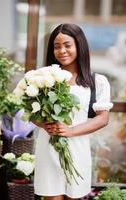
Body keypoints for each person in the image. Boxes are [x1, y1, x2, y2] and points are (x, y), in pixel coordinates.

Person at [33, 23, 113, 200]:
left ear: (79, 46)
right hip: (49, 147)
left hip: (78, 149)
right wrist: (44, 124)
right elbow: (32, 113)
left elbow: (102, 119)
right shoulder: (45, 79)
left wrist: (71, 131)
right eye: (56, 46)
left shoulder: (96, 81)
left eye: (67, 45)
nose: (62, 51)